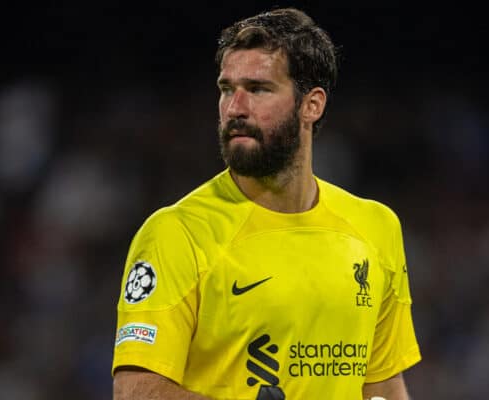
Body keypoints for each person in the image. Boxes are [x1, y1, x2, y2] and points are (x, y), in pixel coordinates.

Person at [112, 7, 421, 400]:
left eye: (258, 89)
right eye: (226, 89)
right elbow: (136, 391)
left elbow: (382, 383)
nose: (234, 108)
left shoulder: (376, 227)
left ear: (312, 105)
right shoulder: (177, 233)